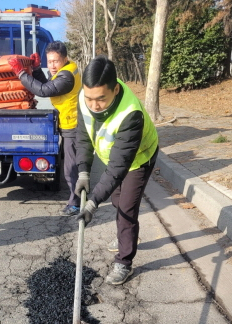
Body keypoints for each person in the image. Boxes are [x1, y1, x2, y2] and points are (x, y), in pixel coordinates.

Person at [74, 56, 159, 285]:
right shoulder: (85, 98)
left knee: (126, 209)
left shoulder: (130, 113)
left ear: (115, 89)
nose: (94, 105)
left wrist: (92, 203)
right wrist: (83, 171)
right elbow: (82, 136)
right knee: (116, 199)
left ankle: (124, 261)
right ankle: (124, 236)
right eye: (89, 98)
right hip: (114, 157)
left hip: (139, 158)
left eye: (101, 99)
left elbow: (117, 168)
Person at [9, 42, 82, 216]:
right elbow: (48, 84)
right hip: (69, 122)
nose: (52, 65)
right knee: (71, 166)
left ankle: (76, 203)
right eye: (49, 62)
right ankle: (77, 198)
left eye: (55, 61)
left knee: (70, 168)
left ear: (64, 58)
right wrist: (35, 69)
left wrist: (20, 73)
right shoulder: (66, 70)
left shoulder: (67, 76)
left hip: (73, 125)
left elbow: (43, 90)